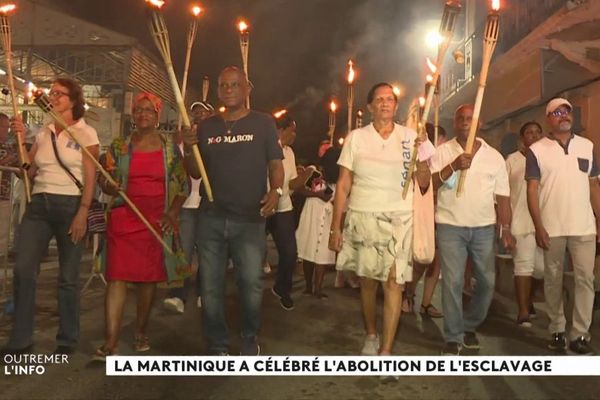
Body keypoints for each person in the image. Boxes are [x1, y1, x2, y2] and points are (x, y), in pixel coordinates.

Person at [182, 66, 284, 356]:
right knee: (210, 285)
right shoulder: (207, 126)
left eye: (234, 85)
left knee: (251, 283)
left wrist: (275, 191)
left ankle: (249, 337)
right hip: (211, 217)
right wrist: (190, 148)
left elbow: (276, 163)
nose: (228, 89)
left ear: (247, 89)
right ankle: (218, 343)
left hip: (249, 219)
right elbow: (195, 172)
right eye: (223, 85)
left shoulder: (263, 123)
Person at [329, 82, 431, 357]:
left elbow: (423, 183)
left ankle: (386, 350)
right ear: (371, 106)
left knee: (394, 282)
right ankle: (371, 334)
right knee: (368, 283)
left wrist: (422, 156)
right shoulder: (356, 138)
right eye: (380, 99)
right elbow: (343, 184)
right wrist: (335, 227)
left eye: (390, 99)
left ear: (396, 106)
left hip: (400, 218)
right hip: (363, 216)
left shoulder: (413, 137)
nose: (386, 103)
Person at [1, 77, 99, 355]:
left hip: (71, 205)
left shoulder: (86, 133)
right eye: (52, 93)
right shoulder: (44, 133)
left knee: (68, 276)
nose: (53, 97)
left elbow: (90, 176)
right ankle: (21, 338)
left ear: (73, 100)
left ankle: (67, 337)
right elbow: (28, 170)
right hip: (39, 206)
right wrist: (20, 139)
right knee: (23, 269)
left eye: (59, 93)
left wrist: (83, 211)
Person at [94, 92, 189, 359]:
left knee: (147, 282)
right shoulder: (118, 146)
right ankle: (110, 341)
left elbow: (184, 185)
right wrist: (108, 185)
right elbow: (106, 181)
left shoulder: (170, 148)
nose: (143, 114)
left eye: (149, 110)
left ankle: (140, 331)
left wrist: (172, 212)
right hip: (124, 219)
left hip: (155, 222)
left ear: (158, 116)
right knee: (116, 278)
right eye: (138, 110)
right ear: (132, 114)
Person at [430, 104, 513, 356]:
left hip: (483, 228)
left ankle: (469, 325)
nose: (465, 122)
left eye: (470, 118)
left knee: (487, 282)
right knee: (453, 282)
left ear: (479, 124)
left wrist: (506, 228)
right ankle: (454, 337)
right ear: (455, 123)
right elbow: (430, 184)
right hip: (450, 226)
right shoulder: (443, 152)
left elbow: (504, 197)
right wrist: (454, 165)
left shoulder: (494, 156)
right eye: (461, 119)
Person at [526, 98, 600, 355]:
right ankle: (557, 330)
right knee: (553, 281)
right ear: (549, 119)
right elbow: (532, 190)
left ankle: (580, 334)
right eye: (557, 113)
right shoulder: (537, 150)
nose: (563, 116)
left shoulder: (587, 146)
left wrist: (599, 220)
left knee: (585, 281)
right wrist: (538, 226)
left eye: (567, 111)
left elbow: (593, 186)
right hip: (552, 228)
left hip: (584, 227)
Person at [163, 101, 215, 314]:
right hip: (184, 204)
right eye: (195, 112)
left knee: (207, 252)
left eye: (203, 112)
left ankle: (204, 292)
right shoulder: (179, 142)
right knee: (182, 252)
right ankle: (178, 295)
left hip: (207, 204)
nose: (199, 115)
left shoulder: (214, 140)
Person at [268, 113, 313, 310]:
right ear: (281, 130)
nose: (294, 135)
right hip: (263, 206)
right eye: (292, 130)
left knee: (289, 253)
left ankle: (282, 289)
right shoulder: (266, 147)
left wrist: (307, 173)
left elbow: (292, 183)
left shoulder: (290, 152)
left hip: (284, 208)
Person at [402, 123, 447, 317]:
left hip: (440, 214)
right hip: (417, 214)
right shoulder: (414, 157)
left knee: (434, 258)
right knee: (416, 258)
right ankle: (407, 292)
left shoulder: (441, 158)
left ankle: (426, 303)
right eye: (438, 140)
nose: (440, 145)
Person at [506, 121, 544, 327]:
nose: (535, 136)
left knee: (541, 269)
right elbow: (502, 194)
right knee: (523, 267)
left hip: (546, 222)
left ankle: (528, 299)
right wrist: (504, 225)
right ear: (522, 138)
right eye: (530, 133)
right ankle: (522, 311)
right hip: (520, 222)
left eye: (538, 132)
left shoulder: (547, 158)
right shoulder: (512, 160)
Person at [296, 160, 335, 299]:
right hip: (311, 215)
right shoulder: (313, 171)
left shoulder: (336, 181)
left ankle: (318, 288)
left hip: (327, 216)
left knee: (322, 255)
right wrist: (317, 195)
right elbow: (299, 189)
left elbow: (333, 199)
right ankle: (308, 286)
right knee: (309, 250)